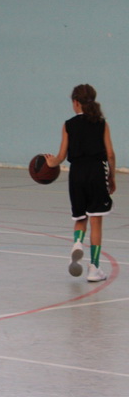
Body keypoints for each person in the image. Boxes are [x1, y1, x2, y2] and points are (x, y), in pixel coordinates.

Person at [45, 84, 116, 282]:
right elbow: (110, 154)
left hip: (76, 174)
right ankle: (94, 268)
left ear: (76, 102)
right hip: (96, 171)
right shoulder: (101, 123)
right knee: (96, 221)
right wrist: (111, 176)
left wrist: (50, 162)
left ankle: (77, 243)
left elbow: (61, 156)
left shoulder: (68, 125)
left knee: (80, 217)